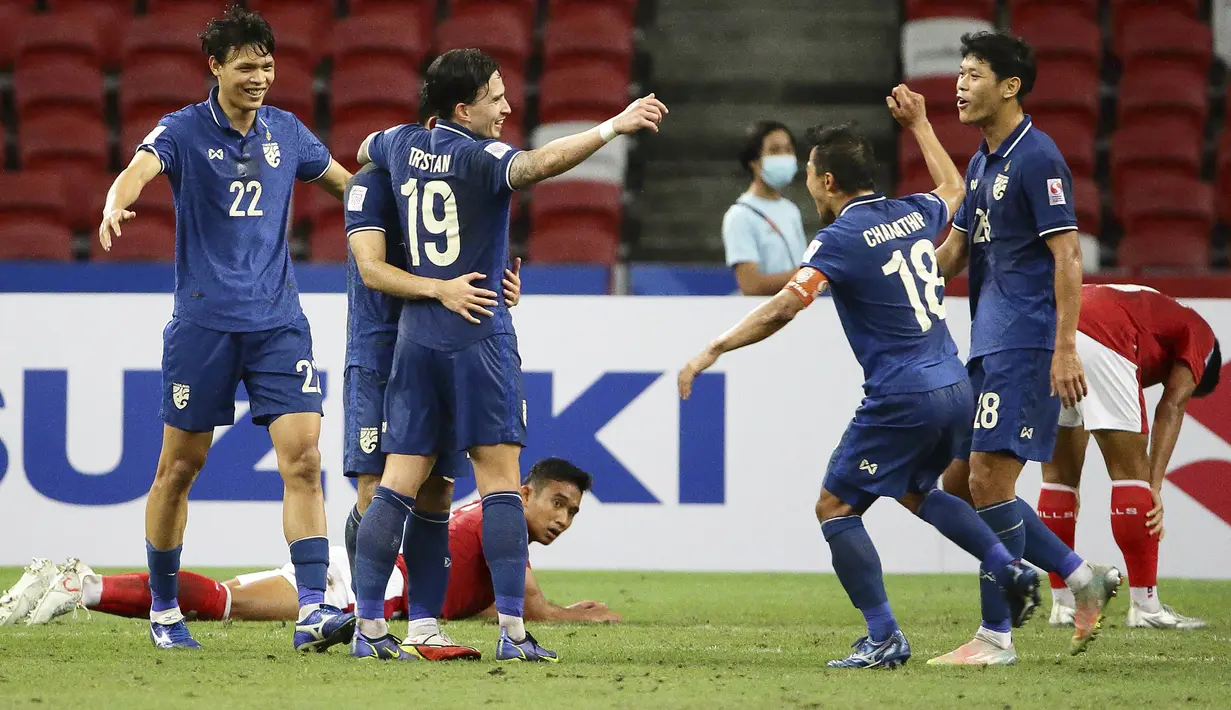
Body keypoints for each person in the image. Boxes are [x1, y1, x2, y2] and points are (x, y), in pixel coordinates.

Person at [678, 88, 1039, 671]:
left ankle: (883, 636)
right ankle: (1007, 563)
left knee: (835, 506)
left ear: (825, 183)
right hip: (954, 386)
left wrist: (714, 347)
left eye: (812, 175)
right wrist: (922, 126)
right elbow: (956, 192)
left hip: (902, 394)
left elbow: (784, 305)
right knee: (916, 488)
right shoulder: (912, 212)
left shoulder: (837, 239)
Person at [348, 48, 666, 662]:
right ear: (462, 109)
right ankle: (514, 635)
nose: (507, 107)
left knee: (397, 485)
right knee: (498, 484)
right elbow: (537, 165)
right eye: (495, 98)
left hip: (417, 332)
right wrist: (613, 126)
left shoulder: (397, 142)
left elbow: (365, 148)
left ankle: (368, 631)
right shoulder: (479, 154)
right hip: (475, 331)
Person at [95, 6, 354, 651]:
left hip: (278, 324)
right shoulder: (183, 130)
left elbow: (346, 186)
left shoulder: (288, 132)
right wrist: (115, 199)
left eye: (267, 64)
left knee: (305, 460)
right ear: (215, 66)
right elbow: (141, 167)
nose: (260, 76)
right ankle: (162, 608)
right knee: (179, 469)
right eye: (246, 65)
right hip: (204, 325)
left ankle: (315, 608)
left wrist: (387, 215)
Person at [931, 31, 1120, 664]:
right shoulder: (983, 162)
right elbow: (954, 251)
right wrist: (897, 275)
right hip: (988, 340)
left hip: (1026, 341)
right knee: (957, 484)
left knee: (988, 480)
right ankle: (1077, 575)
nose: (959, 84)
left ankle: (998, 635)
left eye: (974, 74)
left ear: (1009, 86)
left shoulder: (1037, 158)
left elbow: (1067, 254)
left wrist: (1065, 347)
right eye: (959, 72)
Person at [11, 460, 618, 637]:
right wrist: (577, 616)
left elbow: (471, 597)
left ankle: (81, 584)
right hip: (356, 586)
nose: (563, 519)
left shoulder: (484, 521)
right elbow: (531, 610)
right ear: (524, 492)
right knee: (223, 604)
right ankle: (81, 586)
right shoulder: (500, 518)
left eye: (573, 512)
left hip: (360, 579)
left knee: (224, 601)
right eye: (557, 503)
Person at [340, 158, 522, 659]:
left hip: (436, 346)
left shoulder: (450, 185)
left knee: (438, 490)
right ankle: (363, 616)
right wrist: (441, 289)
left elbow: (469, 262)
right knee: (378, 486)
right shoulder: (373, 184)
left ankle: (422, 625)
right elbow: (371, 270)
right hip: (378, 353)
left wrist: (499, 291)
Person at [1040, 284, 1220, 629]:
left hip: (1051, 327)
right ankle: (1146, 606)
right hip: (1106, 332)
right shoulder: (1203, 337)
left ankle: (1063, 604)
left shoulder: (1153, 307)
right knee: (1131, 475)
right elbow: (1172, 405)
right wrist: (1153, 485)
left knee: (1058, 479)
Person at [722, 121, 810, 295]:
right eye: (775, 150)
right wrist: (808, 276)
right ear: (754, 162)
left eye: (788, 149)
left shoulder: (790, 210)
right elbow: (751, 285)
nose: (784, 156)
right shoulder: (740, 216)